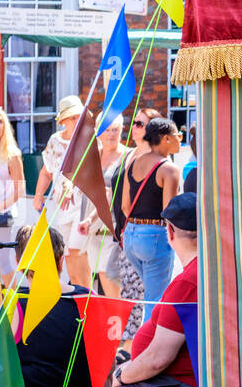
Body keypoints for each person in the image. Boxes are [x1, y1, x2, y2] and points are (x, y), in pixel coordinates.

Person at [104, 193, 199, 387]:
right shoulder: (203, 269)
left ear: (170, 232)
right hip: (179, 383)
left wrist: (120, 376)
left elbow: (158, 358)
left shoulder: (188, 281)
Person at [11, 223, 95, 387]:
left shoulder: (12, 304)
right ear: (60, 262)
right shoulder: (86, 300)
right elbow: (103, 362)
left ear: (19, 263)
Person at [119, 115, 181, 322]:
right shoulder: (169, 169)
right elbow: (169, 212)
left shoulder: (133, 163)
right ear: (165, 138)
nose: (180, 138)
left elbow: (125, 206)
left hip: (131, 237)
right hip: (155, 237)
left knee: (150, 296)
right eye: (176, 135)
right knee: (156, 300)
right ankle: (148, 349)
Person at [33, 95, 86, 287]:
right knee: (68, 254)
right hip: (61, 205)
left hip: (83, 205)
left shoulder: (89, 138)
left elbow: (92, 172)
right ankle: (78, 299)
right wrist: (38, 196)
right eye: (72, 117)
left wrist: (71, 185)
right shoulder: (55, 140)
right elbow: (47, 172)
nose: (77, 120)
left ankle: (86, 298)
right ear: (63, 121)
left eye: (79, 116)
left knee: (78, 252)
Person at [74, 114, 128, 296]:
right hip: (91, 229)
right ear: (99, 132)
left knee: (109, 277)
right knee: (98, 277)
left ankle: (120, 322)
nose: (111, 134)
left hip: (112, 226)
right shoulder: (92, 155)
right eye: (107, 129)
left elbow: (112, 194)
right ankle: (111, 322)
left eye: (115, 129)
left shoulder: (127, 156)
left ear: (121, 131)